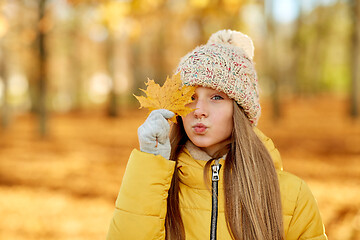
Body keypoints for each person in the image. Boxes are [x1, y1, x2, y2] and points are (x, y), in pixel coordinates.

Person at [106, 29, 327, 240]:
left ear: (240, 110)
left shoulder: (292, 195)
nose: (199, 110)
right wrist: (151, 165)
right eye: (190, 97)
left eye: (217, 97)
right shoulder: (158, 183)